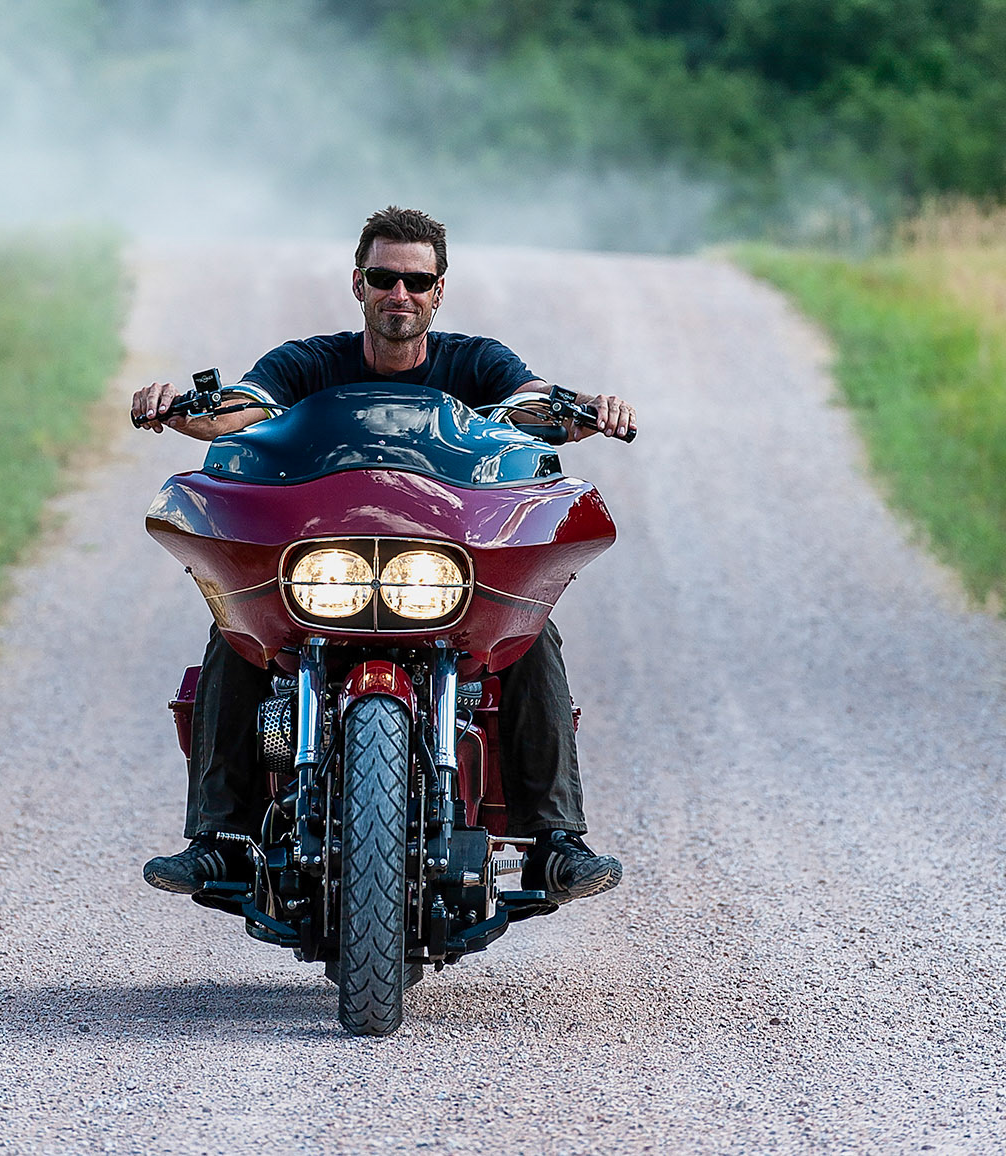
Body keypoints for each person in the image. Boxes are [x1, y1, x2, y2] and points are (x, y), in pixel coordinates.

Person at [131, 204, 636, 904]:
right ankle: (216, 841)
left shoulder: (477, 362)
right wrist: (178, 410)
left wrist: (586, 410)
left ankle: (557, 841)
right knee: (237, 626)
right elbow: (246, 405)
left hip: (441, 574)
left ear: (439, 290)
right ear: (358, 284)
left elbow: (529, 405)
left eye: (417, 281)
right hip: (331, 567)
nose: (400, 294)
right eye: (383, 277)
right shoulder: (309, 362)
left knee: (529, 631)